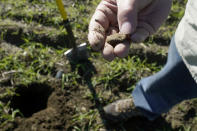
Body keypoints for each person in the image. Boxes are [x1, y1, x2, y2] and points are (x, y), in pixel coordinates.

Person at [88, 0, 197, 123]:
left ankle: (148, 104)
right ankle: (144, 100)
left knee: (185, 84)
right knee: (174, 72)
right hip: (192, 32)